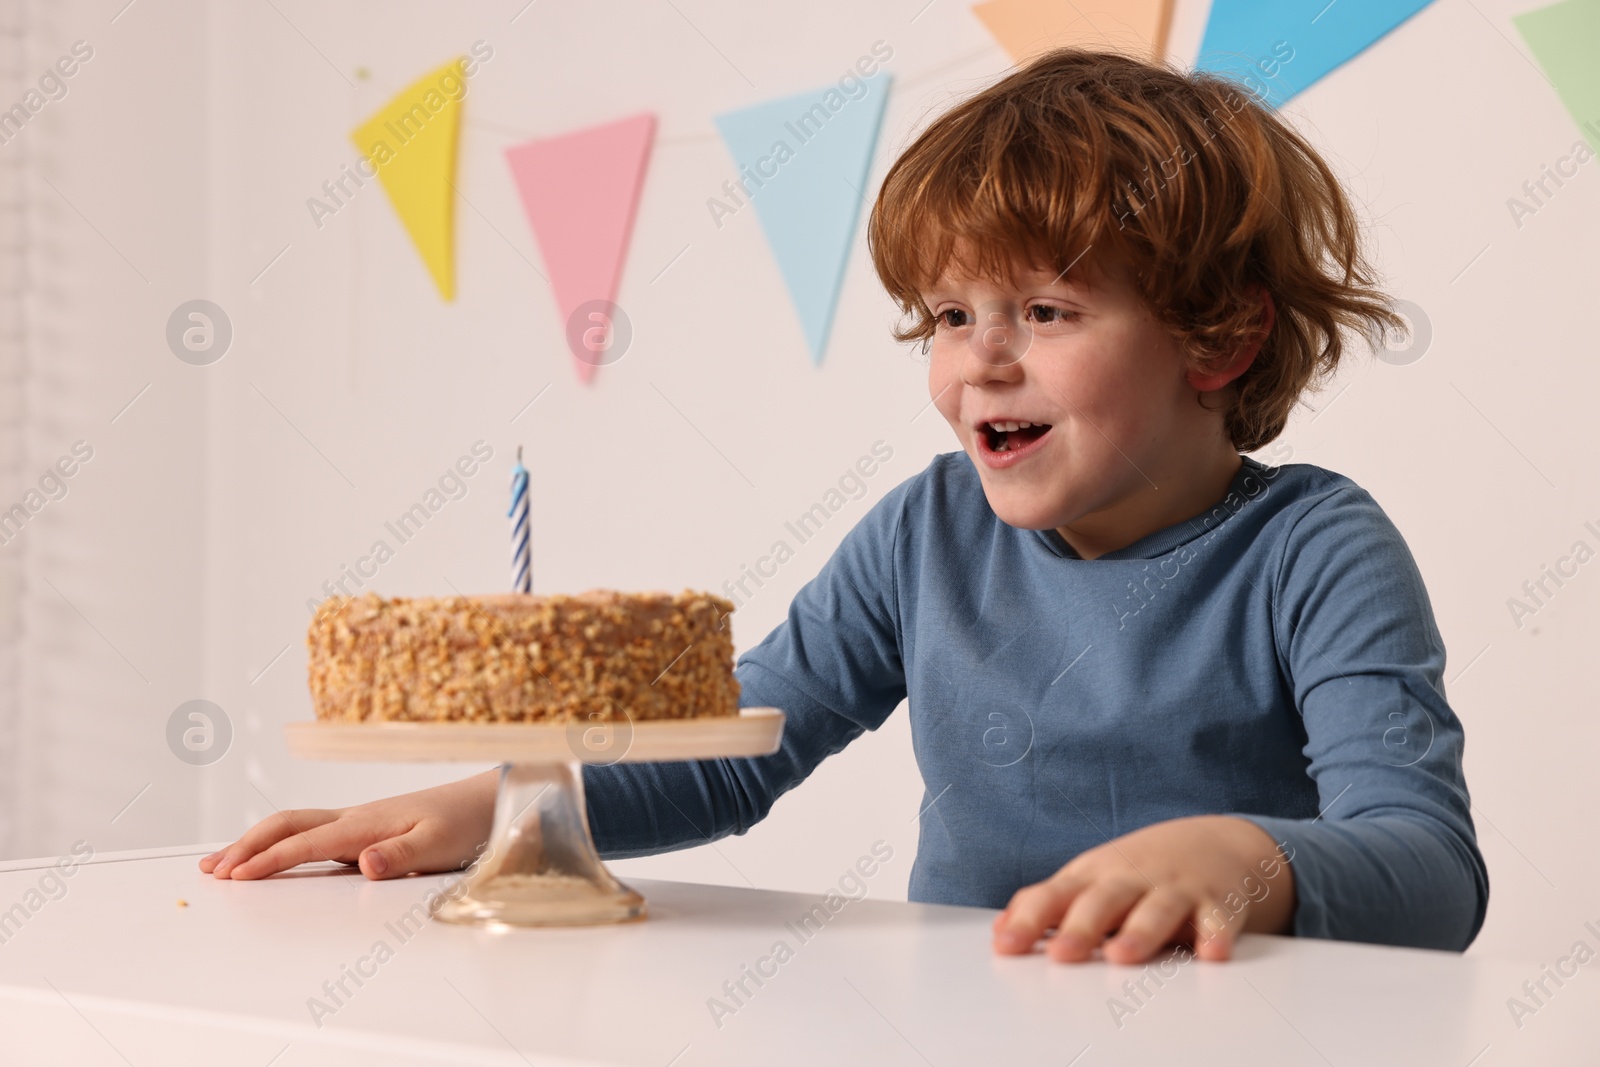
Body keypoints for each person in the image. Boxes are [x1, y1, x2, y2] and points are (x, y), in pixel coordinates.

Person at [201, 47, 1488, 964]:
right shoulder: (928, 532)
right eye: (948, 315)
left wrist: (1246, 863)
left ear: (1218, 337)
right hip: (966, 1022)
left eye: (1044, 310)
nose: (981, 358)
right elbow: (744, 744)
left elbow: (1430, 870)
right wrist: (502, 804)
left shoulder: (1316, 550)